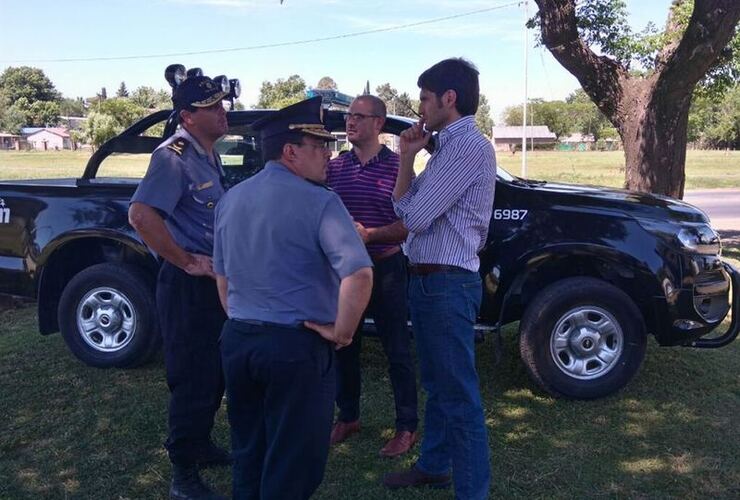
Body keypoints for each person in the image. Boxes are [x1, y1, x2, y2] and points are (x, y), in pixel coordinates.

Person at [214, 96, 373, 499]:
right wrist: (341, 332)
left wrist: (244, 319)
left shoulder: (231, 199)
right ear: (290, 152)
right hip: (295, 348)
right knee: (293, 465)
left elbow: (222, 278)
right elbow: (358, 273)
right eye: (319, 147)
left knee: (249, 450)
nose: (328, 155)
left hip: (239, 342)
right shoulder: (321, 201)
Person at [383, 58, 496, 500]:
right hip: (432, 283)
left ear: (449, 98)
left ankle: (472, 493)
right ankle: (434, 465)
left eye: (426, 98)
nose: (420, 108)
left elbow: (412, 214)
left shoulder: (467, 147)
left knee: (460, 399)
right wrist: (409, 157)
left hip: (447, 285)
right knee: (438, 385)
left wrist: (407, 160)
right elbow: (406, 207)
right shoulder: (447, 148)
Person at [128, 75, 231, 500]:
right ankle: (183, 476)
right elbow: (140, 215)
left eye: (221, 104)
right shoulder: (174, 156)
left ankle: (200, 444)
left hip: (210, 284)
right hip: (187, 286)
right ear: (188, 116)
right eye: (212, 107)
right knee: (192, 378)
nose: (222, 111)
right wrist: (187, 261)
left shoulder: (207, 154)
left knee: (213, 374)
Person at [325, 95, 418, 457]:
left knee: (397, 350)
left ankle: (407, 426)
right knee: (344, 344)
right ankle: (347, 416)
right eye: (349, 117)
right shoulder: (335, 168)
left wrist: (371, 235)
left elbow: (408, 225)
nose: (350, 123)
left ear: (379, 124)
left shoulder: (398, 167)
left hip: (386, 268)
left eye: (359, 118)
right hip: (346, 271)